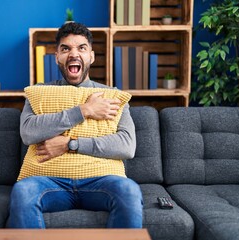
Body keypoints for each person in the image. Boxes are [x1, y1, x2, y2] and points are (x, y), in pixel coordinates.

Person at [8, 22, 143, 228]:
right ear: (57, 57)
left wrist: (71, 144)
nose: (74, 54)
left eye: (81, 48)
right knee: (23, 191)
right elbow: (28, 132)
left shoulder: (112, 95)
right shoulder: (38, 93)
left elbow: (126, 146)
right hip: (50, 183)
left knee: (129, 190)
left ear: (91, 56)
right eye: (65, 48)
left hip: (100, 182)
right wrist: (84, 110)